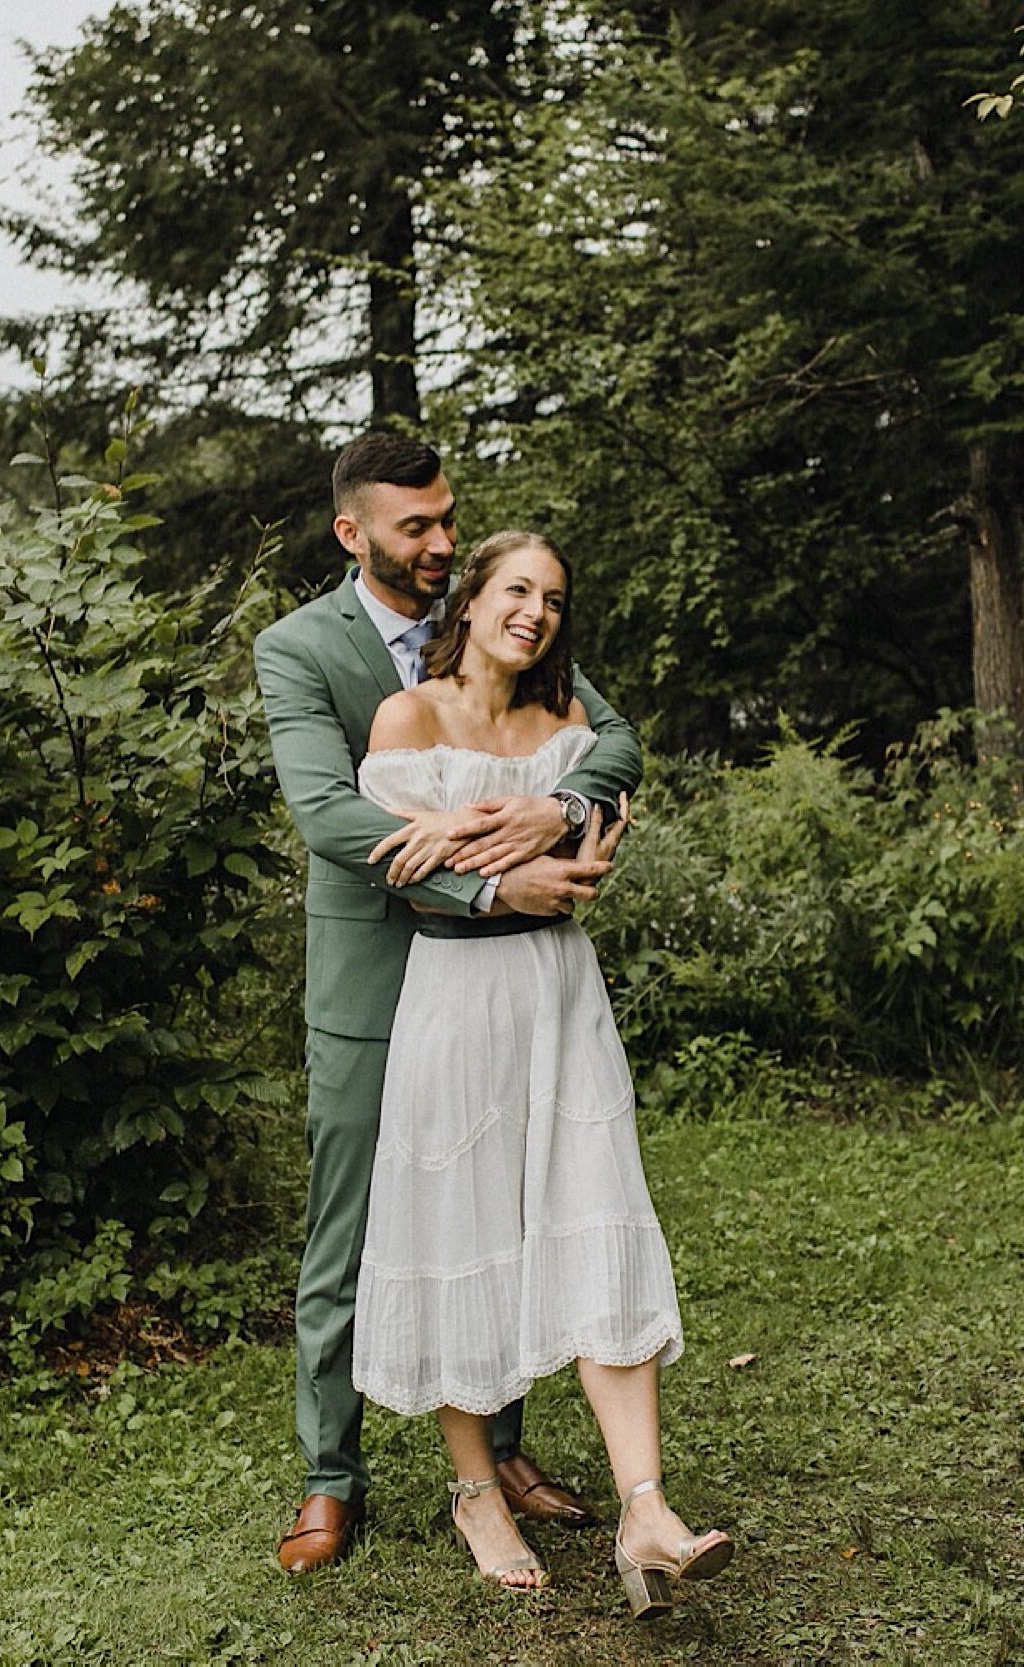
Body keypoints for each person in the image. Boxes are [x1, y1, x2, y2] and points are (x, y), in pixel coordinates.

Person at [252, 434, 638, 1576]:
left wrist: (558, 807)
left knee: (501, 1207)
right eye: (414, 526)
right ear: (351, 531)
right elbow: (326, 813)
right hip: (378, 984)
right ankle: (331, 1478)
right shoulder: (299, 647)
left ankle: (502, 1450)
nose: (439, 543)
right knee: (348, 1232)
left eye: (446, 520)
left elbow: (608, 740)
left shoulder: (493, 616)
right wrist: (485, 882)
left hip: (497, 990)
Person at [352, 529, 732, 1614]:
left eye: (554, 599)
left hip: (563, 996)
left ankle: (645, 1506)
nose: (535, 612)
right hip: (454, 999)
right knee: (456, 1221)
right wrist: (508, 863)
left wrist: (521, 840)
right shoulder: (406, 718)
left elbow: (589, 864)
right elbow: (407, 878)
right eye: (516, 589)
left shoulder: (569, 727)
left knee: (594, 1208)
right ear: (469, 600)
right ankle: (477, 1491)